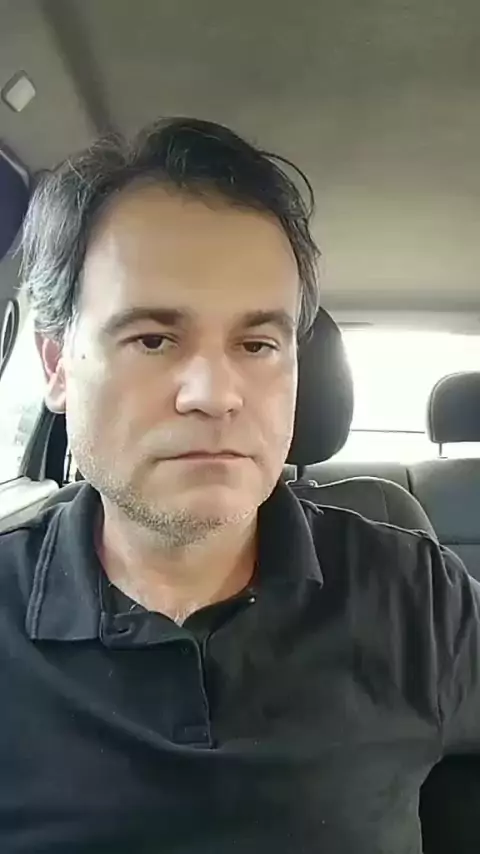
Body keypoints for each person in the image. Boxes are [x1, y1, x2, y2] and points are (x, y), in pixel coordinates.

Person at [1, 117, 479, 854]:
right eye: (154, 339)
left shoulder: (417, 596)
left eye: (257, 344)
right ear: (57, 363)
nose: (215, 394)